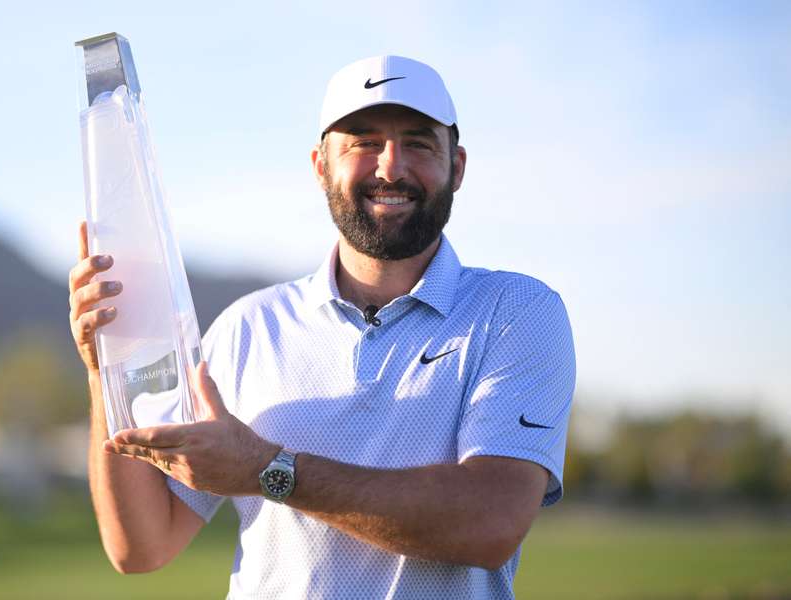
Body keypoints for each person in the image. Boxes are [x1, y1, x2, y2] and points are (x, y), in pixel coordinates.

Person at [68, 55, 576, 599]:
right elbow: (141, 547)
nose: (390, 167)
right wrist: (107, 370)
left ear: (457, 166)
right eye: (362, 142)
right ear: (319, 166)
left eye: (419, 143)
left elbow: (490, 522)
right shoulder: (248, 327)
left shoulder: (516, 311)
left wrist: (269, 470)